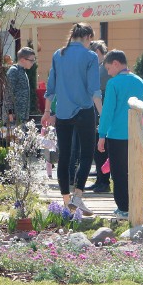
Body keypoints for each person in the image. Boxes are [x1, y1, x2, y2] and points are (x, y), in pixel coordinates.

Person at [41, 22, 102, 216]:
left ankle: (66, 201)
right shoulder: (90, 56)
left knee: (64, 157)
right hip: (84, 111)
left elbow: (51, 87)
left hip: (63, 112)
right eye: (90, 40)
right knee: (86, 156)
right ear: (87, 37)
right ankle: (78, 197)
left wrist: (47, 112)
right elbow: (94, 90)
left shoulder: (58, 55)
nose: (90, 44)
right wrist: (102, 114)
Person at [97, 50, 143, 219]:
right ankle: (135, 204)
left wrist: (101, 134)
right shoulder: (140, 81)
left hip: (117, 135)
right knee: (134, 170)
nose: (108, 72)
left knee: (118, 173)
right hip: (136, 134)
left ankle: (123, 208)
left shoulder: (113, 84)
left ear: (116, 64)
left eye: (109, 68)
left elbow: (108, 111)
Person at [85, 40, 112, 193]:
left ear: (102, 53)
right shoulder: (97, 69)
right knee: (98, 149)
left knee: (102, 148)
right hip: (96, 112)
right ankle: (100, 180)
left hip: (102, 113)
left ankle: (104, 181)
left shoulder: (102, 71)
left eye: (96, 53)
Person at [4, 47, 36, 125]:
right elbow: (8, 93)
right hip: (13, 117)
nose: (33, 63)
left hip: (21, 117)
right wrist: (10, 112)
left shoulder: (23, 72)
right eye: (31, 60)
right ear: (22, 60)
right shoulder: (14, 71)